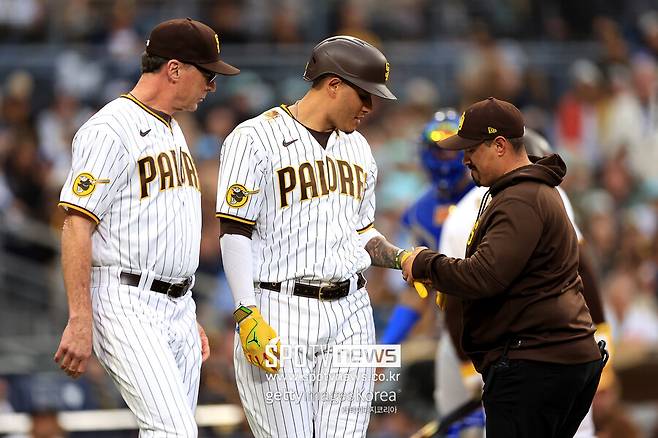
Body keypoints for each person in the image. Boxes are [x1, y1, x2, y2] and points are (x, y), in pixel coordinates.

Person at [53, 18, 239, 437]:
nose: (212, 86)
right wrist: (80, 317)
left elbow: (163, 227)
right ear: (174, 69)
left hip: (175, 304)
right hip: (125, 298)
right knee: (174, 431)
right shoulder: (109, 128)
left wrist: (183, 306)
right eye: (207, 75)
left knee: (172, 431)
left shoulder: (172, 129)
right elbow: (76, 225)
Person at [215, 35, 409, 437]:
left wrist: (401, 258)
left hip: (351, 311)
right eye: (365, 95)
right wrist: (246, 311)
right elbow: (235, 230)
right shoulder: (254, 138)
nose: (370, 107)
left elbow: (362, 232)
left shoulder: (359, 149)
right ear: (333, 84)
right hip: (279, 308)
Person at [401, 97, 607, 438]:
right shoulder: (535, 192)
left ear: (499, 145)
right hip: (557, 356)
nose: (463, 159)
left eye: (470, 149)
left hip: (536, 362)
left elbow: (484, 276)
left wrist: (424, 262)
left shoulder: (521, 199)